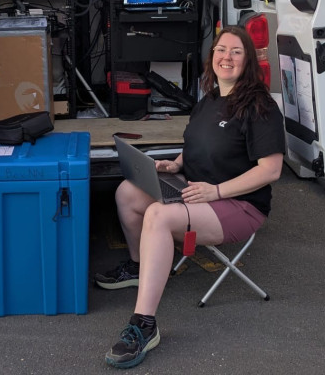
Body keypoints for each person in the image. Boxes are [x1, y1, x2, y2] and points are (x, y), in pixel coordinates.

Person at [95, 26, 286, 369]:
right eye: (221, 50)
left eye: (236, 52)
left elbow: (270, 170)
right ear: (211, 56)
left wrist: (216, 191)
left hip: (238, 205)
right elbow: (196, 145)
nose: (226, 57)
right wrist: (176, 163)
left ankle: (144, 325)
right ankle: (140, 266)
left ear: (247, 61)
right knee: (127, 192)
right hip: (196, 190)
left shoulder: (261, 106)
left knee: (157, 215)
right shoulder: (209, 99)